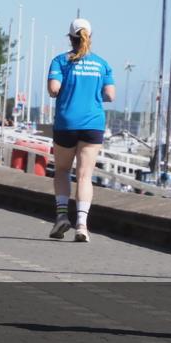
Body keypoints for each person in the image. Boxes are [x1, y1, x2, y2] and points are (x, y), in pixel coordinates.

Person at [47, 18, 115, 242]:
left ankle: (61, 216)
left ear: (70, 38)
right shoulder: (102, 64)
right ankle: (82, 226)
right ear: (90, 37)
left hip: (66, 123)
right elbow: (110, 95)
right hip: (93, 124)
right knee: (85, 175)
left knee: (63, 171)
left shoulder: (60, 61)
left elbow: (53, 90)